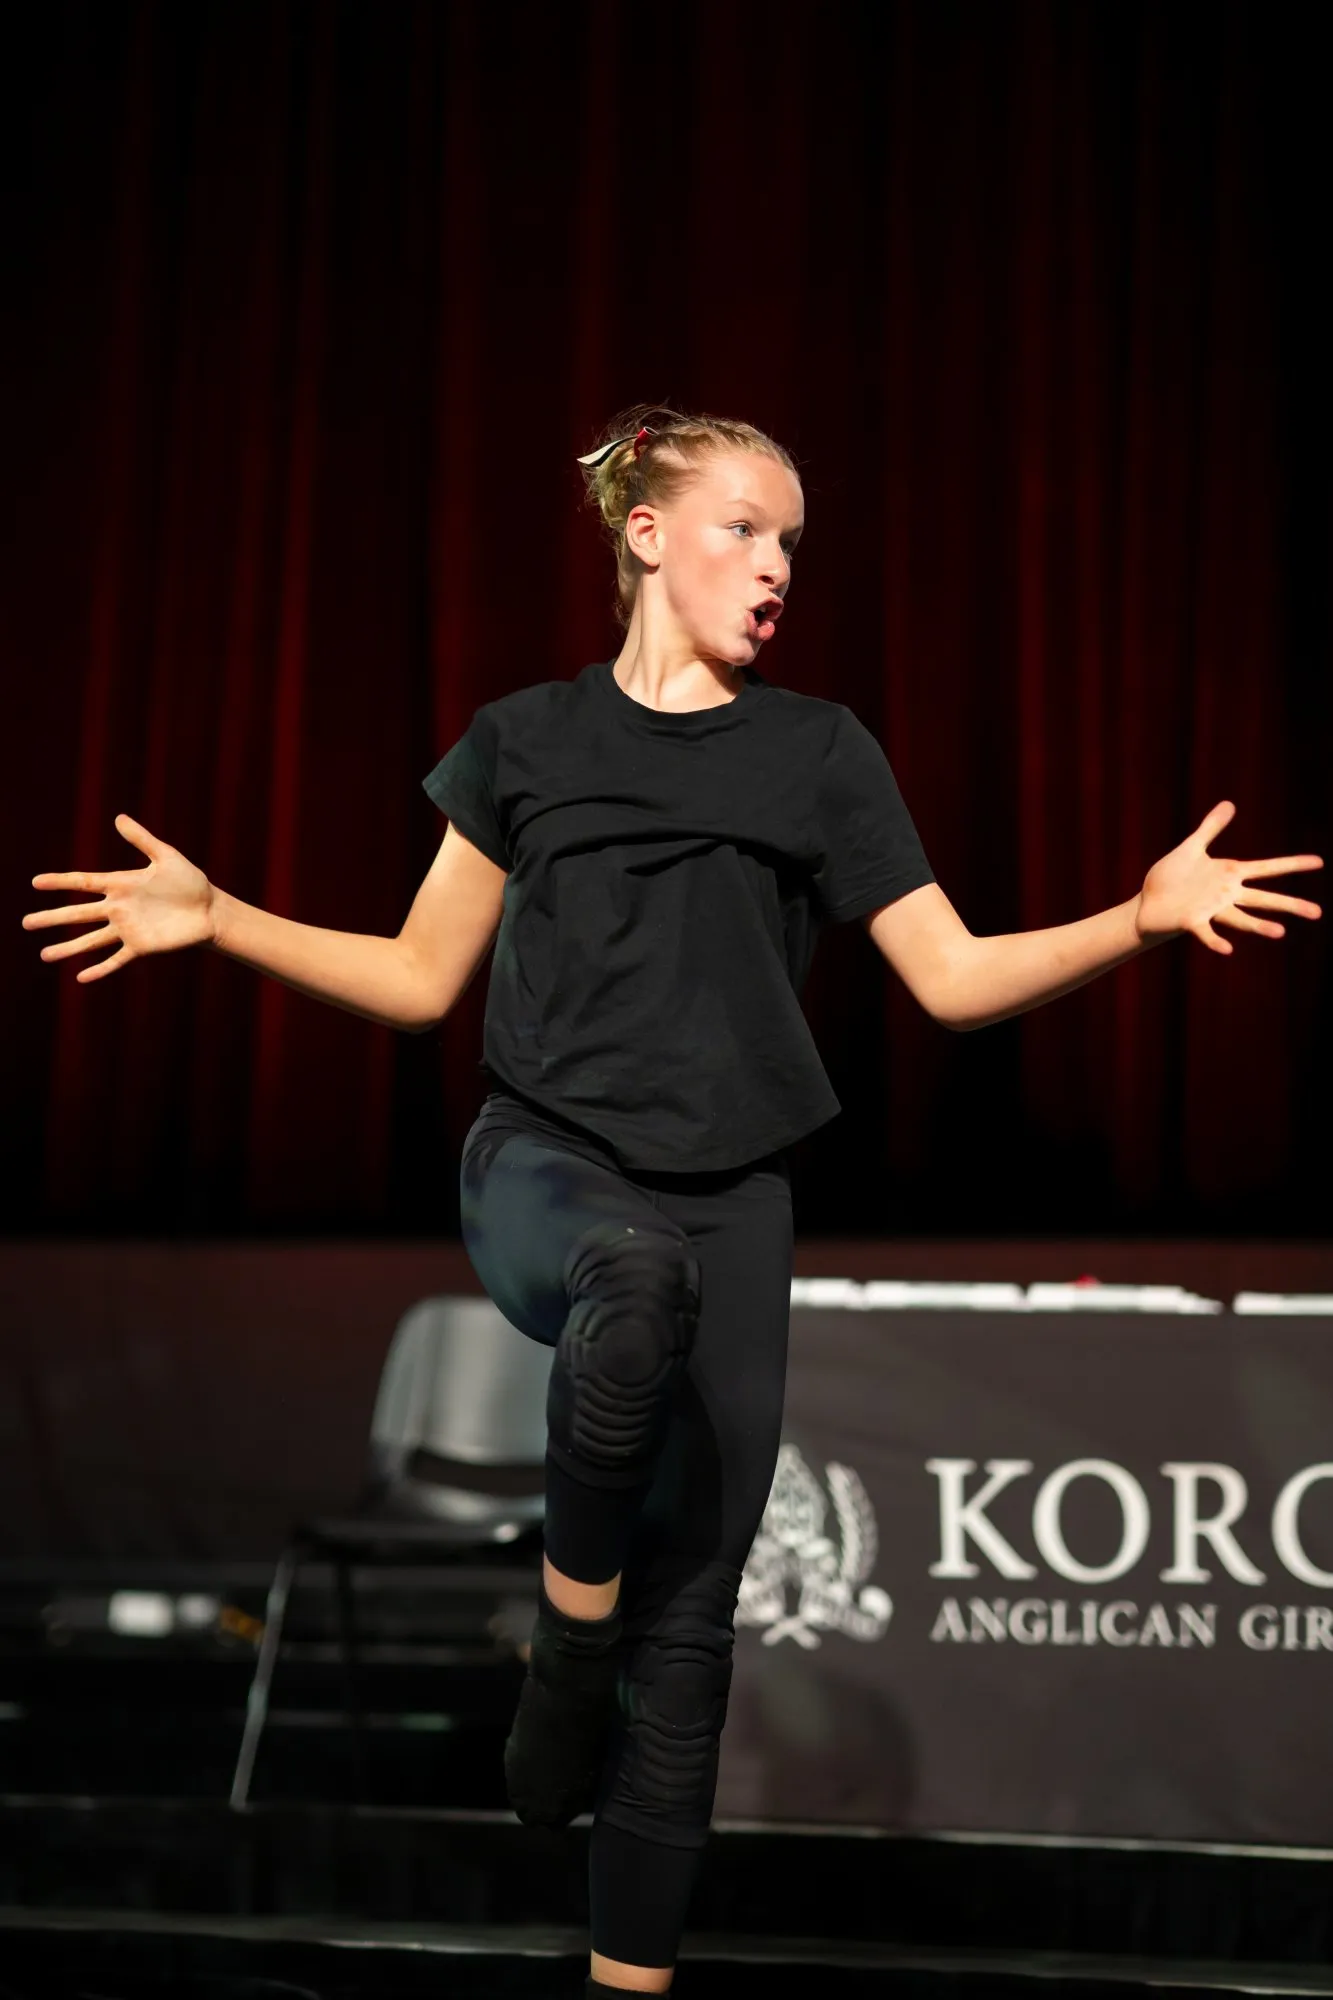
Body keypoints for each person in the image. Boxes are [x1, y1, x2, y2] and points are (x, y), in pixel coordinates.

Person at [22, 401, 1323, 1995]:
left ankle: (624, 1983)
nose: (778, 569)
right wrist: (222, 918)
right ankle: (569, 1638)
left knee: (696, 1629)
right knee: (634, 1294)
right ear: (646, 533)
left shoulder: (819, 753)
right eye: (745, 530)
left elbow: (957, 979)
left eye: (794, 544)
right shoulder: (526, 740)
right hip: (548, 1170)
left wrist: (1135, 918)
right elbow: (424, 978)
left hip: (734, 1201)